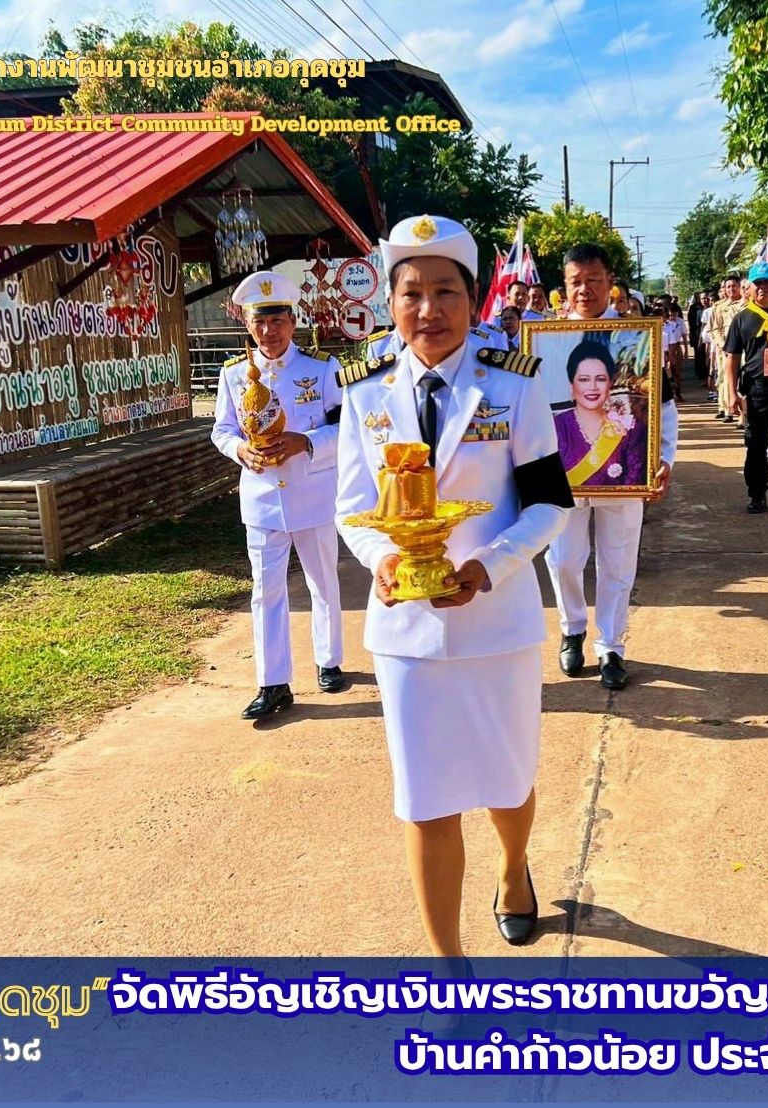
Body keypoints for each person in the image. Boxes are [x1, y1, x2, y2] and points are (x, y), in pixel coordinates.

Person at [334, 213, 574, 956]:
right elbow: (352, 508)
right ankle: (449, 968)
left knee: (506, 783)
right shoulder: (366, 393)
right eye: (411, 293)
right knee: (426, 801)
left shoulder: (514, 387)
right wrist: (380, 559)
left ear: (474, 302)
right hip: (406, 631)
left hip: (495, 625)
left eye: (445, 293)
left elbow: (547, 503)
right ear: (391, 303)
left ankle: (512, 870)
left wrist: (487, 567)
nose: (428, 311)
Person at [211, 271, 347, 721]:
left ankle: (328, 660)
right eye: (259, 322)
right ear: (248, 324)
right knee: (266, 591)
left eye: (277, 321)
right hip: (263, 498)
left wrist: (305, 441)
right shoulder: (233, 374)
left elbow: (347, 427)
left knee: (322, 581)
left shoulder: (322, 369)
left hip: (312, 491)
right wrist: (239, 450)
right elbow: (223, 429)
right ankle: (273, 682)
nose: (268, 331)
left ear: (292, 321)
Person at [544, 242, 677, 690]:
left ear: (609, 282)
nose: (584, 290)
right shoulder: (545, 340)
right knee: (564, 559)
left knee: (618, 562)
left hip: (625, 469)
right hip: (564, 473)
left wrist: (664, 458)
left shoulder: (637, 337)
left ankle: (612, 646)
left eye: (593, 280)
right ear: (564, 287)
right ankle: (572, 627)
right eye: (575, 282)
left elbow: (665, 403)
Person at [723, 262, 768, 514]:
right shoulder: (742, 318)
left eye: (767, 282)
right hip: (757, 388)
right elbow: (731, 357)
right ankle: (757, 494)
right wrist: (731, 392)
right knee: (756, 443)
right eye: (758, 283)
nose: (763, 287)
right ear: (750, 288)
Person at [554, 340, 648, 488]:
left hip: (619, 506)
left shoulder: (632, 429)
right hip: (567, 507)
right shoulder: (554, 427)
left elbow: (634, 480)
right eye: (584, 380)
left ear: (610, 383)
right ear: (571, 384)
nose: (592, 387)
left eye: (600, 379)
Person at [708, 274, 744, 421]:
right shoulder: (719, 307)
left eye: (734, 286)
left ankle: (743, 414)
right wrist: (724, 345)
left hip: (744, 348)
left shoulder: (747, 304)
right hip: (726, 349)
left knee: (743, 379)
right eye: (728, 287)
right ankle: (727, 409)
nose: (731, 289)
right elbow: (715, 329)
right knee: (725, 378)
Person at [663, 304, 687, 401]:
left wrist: (685, 349)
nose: (672, 314)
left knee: (676, 371)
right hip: (664, 349)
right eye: (670, 312)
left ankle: (678, 393)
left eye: (675, 312)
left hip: (675, 347)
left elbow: (684, 335)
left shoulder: (680, 322)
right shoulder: (664, 323)